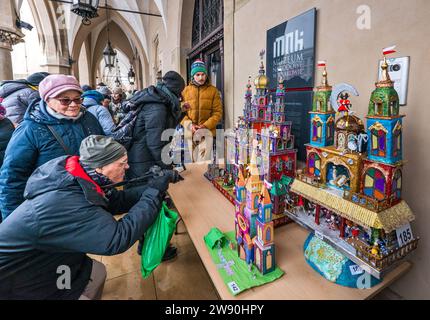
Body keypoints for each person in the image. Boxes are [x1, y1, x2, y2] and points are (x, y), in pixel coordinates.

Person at [0, 135, 179, 300]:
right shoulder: (66, 202)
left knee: (96, 272)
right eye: (122, 163)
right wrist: (154, 192)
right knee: (91, 277)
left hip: (52, 260)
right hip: (20, 279)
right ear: (100, 167)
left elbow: (116, 201)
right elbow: (117, 239)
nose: (127, 167)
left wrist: (154, 186)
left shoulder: (81, 177)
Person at [0, 74, 104, 221]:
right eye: (65, 100)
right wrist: (12, 222)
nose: (73, 104)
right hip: (51, 211)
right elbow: (12, 177)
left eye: (77, 99)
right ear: (48, 99)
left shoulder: (89, 119)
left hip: (90, 201)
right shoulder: (30, 129)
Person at [123, 71, 187, 260]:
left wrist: (181, 113)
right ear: (175, 89)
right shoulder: (157, 107)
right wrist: (168, 169)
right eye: (180, 92)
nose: (181, 96)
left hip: (141, 160)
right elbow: (156, 143)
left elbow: (165, 126)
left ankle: (146, 244)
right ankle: (153, 248)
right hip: (143, 164)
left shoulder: (159, 100)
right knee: (149, 204)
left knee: (147, 203)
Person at [181, 59, 223, 162]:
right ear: (193, 76)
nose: (201, 77)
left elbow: (217, 113)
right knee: (191, 162)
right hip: (190, 132)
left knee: (203, 163)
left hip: (207, 132)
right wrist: (190, 125)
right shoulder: (185, 91)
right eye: (198, 74)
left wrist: (204, 126)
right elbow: (181, 113)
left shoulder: (213, 91)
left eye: (203, 74)